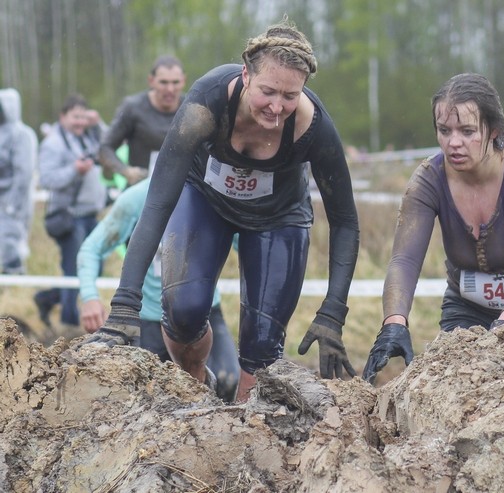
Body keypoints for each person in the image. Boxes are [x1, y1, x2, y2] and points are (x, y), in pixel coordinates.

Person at [86, 17, 360, 402]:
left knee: (262, 345)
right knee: (184, 310)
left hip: (277, 218)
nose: (277, 108)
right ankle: (196, 391)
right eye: (268, 91)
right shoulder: (208, 101)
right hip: (205, 199)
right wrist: (125, 303)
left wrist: (333, 312)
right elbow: (159, 201)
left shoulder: (314, 127)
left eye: (290, 96)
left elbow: (346, 221)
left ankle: (245, 431)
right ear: (246, 75)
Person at [362, 73, 504, 383]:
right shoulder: (428, 179)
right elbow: (404, 261)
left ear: (494, 131)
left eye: (467, 131)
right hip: (468, 307)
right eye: (444, 131)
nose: (453, 143)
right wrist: (394, 322)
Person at [78, 177, 241, 401]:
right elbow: (91, 248)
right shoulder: (136, 199)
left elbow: (249, 245)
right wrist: (90, 297)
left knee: (227, 380)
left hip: (204, 314)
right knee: (146, 397)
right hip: (150, 320)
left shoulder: (214, 192)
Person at [34, 94, 108, 329]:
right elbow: (47, 179)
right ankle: (70, 326)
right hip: (69, 217)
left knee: (94, 267)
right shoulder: (53, 143)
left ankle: (46, 299)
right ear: (62, 117)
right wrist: (74, 170)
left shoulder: (86, 135)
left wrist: (98, 123)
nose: (79, 122)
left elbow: (109, 145)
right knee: (75, 271)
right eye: (74, 117)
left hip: (90, 215)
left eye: (82, 117)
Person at [97, 55, 186, 187]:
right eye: (163, 82)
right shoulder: (132, 107)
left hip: (179, 189)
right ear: (151, 81)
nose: (170, 89)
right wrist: (125, 171)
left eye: (175, 82)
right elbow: (105, 148)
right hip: (140, 189)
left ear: (184, 81)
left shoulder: (192, 108)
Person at [0, 88, 37, 274]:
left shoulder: (21, 135)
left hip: (11, 201)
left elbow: (24, 172)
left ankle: (14, 280)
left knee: (9, 241)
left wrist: (12, 204)